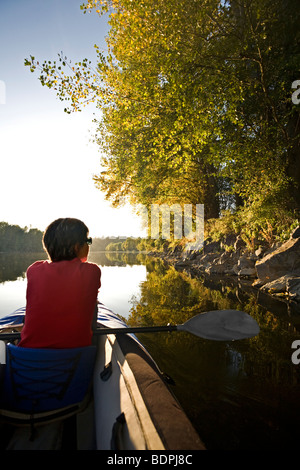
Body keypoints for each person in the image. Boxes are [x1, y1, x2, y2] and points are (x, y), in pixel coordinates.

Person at [18, 218, 101, 349]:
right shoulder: (92, 271)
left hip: (26, 359)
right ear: (76, 247)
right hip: (76, 360)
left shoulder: (33, 269)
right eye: (87, 241)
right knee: (94, 305)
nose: (89, 245)